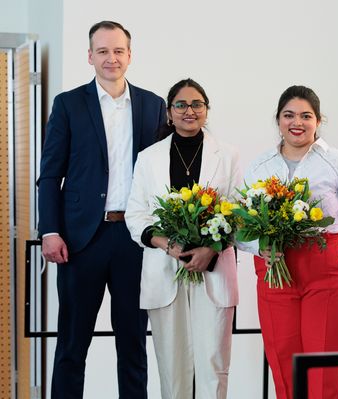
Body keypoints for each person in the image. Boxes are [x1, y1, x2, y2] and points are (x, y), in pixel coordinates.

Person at [37, 21, 166, 399]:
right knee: (72, 346)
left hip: (133, 241)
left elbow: (161, 173)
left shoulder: (153, 105)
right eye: (103, 51)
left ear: (130, 55)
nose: (112, 58)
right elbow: (50, 174)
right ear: (90, 56)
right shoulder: (68, 104)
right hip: (81, 241)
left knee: (133, 346)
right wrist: (50, 230)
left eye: (119, 51)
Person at [238, 85, 338, 399]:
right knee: (283, 363)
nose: (298, 122)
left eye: (306, 116)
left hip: (327, 274)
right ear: (278, 120)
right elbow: (239, 226)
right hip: (274, 271)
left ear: (319, 121)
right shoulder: (260, 166)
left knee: (323, 370)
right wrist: (260, 246)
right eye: (289, 115)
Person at [125, 78, 240, 399]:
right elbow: (136, 215)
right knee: (172, 370)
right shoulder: (148, 158)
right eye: (181, 105)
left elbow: (239, 212)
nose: (189, 111)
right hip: (164, 271)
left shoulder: (228, 155)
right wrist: (168, 245)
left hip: (213, 270)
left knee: (212, 365)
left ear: (206, 110)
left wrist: (211, 249)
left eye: (197, 104)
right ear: (169, 112)